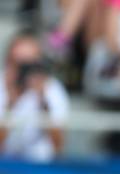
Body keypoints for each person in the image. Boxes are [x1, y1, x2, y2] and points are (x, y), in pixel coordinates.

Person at [0, 30, 70, 163]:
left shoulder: (51, 88)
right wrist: (11, 103)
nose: (24, 71)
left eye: (29, 64)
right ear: (8, 61)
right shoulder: (2, 85)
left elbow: (58, 146)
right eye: (18, 64)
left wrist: (43, 101)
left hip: (39, 168)